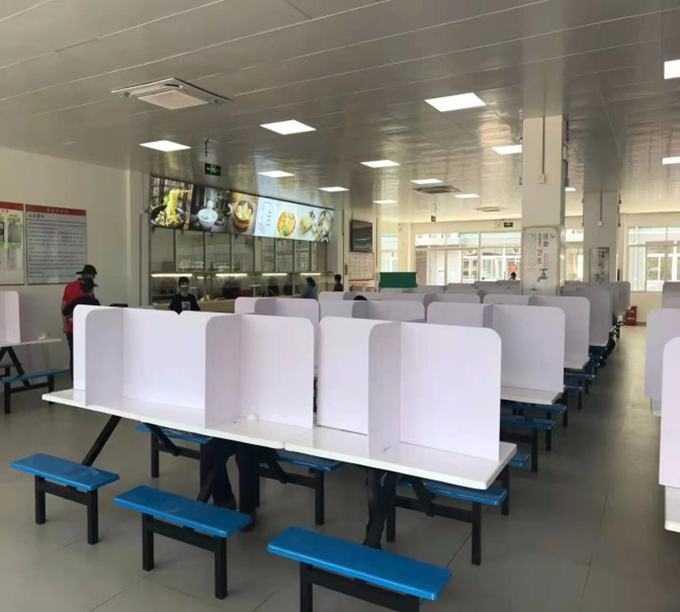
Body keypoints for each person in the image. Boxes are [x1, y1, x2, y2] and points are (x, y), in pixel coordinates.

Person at [62, 264, 97, 378]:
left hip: (72, 328)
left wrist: (65, 324)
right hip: (86, 329)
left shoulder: (69, 286)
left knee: (74, 354)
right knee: (87, 355)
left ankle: (75, 380)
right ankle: (86, 378)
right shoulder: (89, 289)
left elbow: (63, 307)